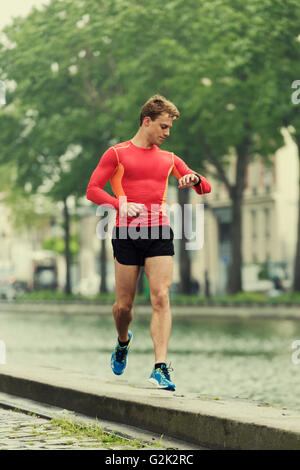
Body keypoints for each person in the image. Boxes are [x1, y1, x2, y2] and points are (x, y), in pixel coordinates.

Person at [86, 95, 211, 391]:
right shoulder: (116, 154)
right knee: (124, 307)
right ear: (147, 121)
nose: (168, 133)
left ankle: (160, 367)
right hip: (127, 234)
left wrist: (193, 179)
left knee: (161, 297)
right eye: (164, 127)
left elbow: (205, 187)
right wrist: (119, 205)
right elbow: (92, 190)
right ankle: (123, 341)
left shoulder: (169, 159)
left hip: (158, 232)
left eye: (170, 128)